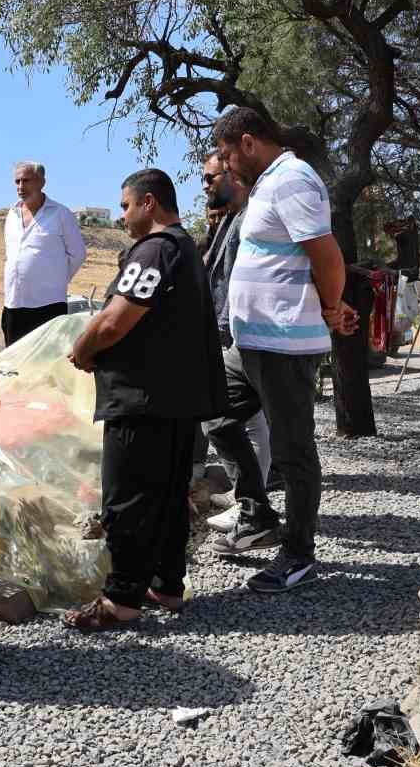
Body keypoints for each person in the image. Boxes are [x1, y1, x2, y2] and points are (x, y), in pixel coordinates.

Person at [61, 169, 225, 631]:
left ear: (149, 203)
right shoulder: (185, 248)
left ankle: (121, 600)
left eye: (126, 205)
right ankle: (166, 585)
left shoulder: (154, 250)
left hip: (142, 400)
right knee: (168, 497)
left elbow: (116, 319)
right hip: (175, 401)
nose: (122, 215)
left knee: (127, 499)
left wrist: (83, 349)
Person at [215, 104, 358, 593]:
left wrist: (333, 307)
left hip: (284, 343)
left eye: (227, 154)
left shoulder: (293, 179)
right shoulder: (266, 186)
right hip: (250, 342)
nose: (226, 164)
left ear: (249, 143)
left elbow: (327, 255)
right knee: (215, 410)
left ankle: (298, 554)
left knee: (293, 449)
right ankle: (257, 513)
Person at [196, 153, 281, 557]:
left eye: (211, 176)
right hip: (231, 336)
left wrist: (221, 331)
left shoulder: (250, 217)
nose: (205, 184)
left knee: (263, 427)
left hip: (245, 337)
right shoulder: (230, 217)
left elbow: (238, 282)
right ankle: (253, 509)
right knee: (224, 416)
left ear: (231, 175)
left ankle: (280, 530)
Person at [1, 161, 86, 346]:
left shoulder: (61, 214)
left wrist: (54, 279)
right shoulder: (11, 215)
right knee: (12, 368)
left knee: (46, 367)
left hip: (48, 306)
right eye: (17, 181)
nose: (20, 187)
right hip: (13, 305)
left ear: (41, 182)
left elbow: (78, 254)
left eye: (26, 181)